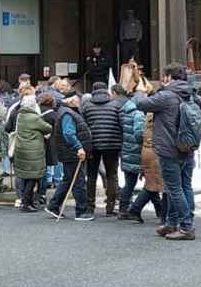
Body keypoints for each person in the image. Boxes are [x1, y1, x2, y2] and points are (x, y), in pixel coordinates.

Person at [137, 62, 199, 240]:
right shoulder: (191, 94)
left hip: (169, 148)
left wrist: (141, 90)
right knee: (184, 186)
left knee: (173, 188)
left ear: (169, 77)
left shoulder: (166, 96)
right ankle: (172, 223)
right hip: (187, 146)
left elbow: (142, 104)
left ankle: (186, 227)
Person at [46, 93, 94, 222]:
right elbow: (68, 133)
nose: (78, 101)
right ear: (72, 100)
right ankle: (81, 211)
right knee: (78, 181)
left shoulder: (65, 112)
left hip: (68, 152)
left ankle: (54, 206)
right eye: (77, 99)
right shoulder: (67, 113)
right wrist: (79, 147)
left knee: (68, 179)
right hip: (71, 152)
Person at [80, 81, 124, 217]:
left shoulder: (86, 106)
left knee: (91, 175)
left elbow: (82, 127)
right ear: (107, 91)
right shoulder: (116, 105)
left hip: (93, 145)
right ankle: (110, 207)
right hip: (113, 144)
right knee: (112, 174)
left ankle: (90, 207)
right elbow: (121, 124)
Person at [14, 95, 54, 212]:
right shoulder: (34, 118)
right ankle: (26, 204)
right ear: (33, 105)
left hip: (22, 150)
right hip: (33, 152)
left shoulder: (20, 115)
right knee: (33, 178)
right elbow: (48, 128)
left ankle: (27, 202)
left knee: (27, 178)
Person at [127, 111, 165, 225]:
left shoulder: (148, 116)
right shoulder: (160, 115)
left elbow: (139, 135)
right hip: (155, 151)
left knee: (152, 183)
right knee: (155, 185)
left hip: (147, 150)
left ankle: (161, 212)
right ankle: (135, 209)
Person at [117, 83, 146, 220]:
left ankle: (123, 208)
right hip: (136, 151)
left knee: (129, 182)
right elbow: (139, 134)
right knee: (148, 183)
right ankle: (129, 208)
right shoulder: (138, 114)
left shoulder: (123, 111)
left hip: (126, 150)